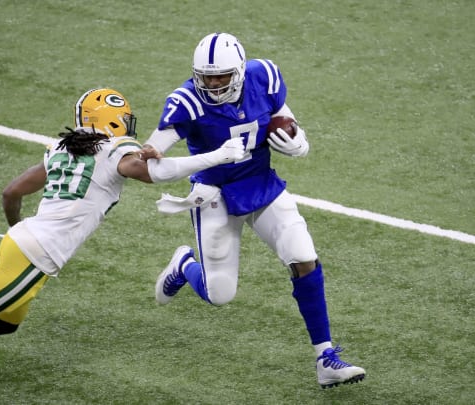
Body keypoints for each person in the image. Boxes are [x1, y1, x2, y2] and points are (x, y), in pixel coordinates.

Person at [0, 87, 246, 404]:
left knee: (6, 322)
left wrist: (17, 231)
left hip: (25, 244)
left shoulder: (60, 149)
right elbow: (157, 174)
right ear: (110, 120)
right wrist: (216, 156)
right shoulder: (114, 151)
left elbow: (11, 193)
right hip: (35, 251)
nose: (127, 126)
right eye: (123, 120)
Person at [145, 33, 366, 389]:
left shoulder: (264, 76)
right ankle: (185, 265)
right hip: (214, 193)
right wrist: (172, 152)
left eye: (221, 76)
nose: (214, 84)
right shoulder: (185, 101)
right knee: (220, 295)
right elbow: (154, 158)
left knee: (303, 256)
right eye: (207, 77)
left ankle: (325, 358)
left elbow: (285, 120)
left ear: (240, 70)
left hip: (261, 183)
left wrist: (298, 144)